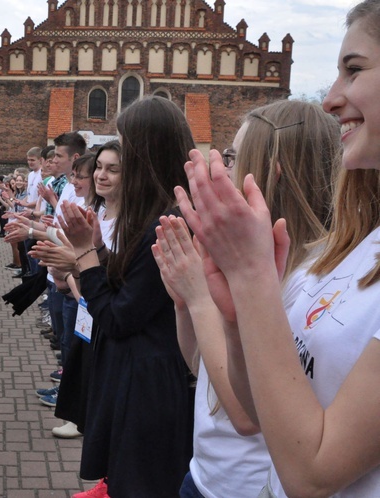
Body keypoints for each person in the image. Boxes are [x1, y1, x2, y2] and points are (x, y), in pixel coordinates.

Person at [176, 2, 380, 496]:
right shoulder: (351, 251)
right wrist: (225, 310)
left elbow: (311, 473)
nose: (331, 99)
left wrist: (238, 285)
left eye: (354, 69)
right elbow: (262, 402)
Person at [151, 99, 339, 498]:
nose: (222, 168)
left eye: (233, 157)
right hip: (204, 473)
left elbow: (244, 414)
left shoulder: (311, 278)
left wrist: (199, 298)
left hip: (244, 487)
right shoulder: (241, 256)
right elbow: (201, 367)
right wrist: (182, 303)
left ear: (273, 171)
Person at [59, 97, 194, 497]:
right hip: (135, 376)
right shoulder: (154, 213)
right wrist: (99, 252)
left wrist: (85, 254)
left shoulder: (165, 223)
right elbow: (131, 286)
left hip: (148, 387)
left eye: (124, 144)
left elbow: (118, 317)